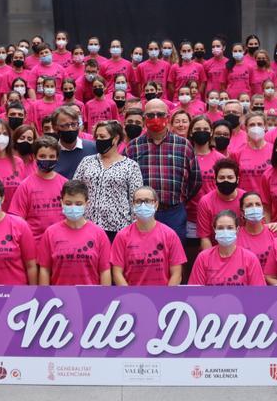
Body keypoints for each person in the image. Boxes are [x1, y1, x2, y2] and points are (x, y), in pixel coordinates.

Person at [124, 99, 201, 242]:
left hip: (174, 212)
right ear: (144, 118)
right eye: (150, 115)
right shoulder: (132, 147)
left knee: (175, 258)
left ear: (168, 117)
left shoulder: (183, 145)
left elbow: (195, 180)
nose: (155, 119)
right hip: (142, 212)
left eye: (160, 114)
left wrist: (181, 199)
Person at [72, 120, 143, 240]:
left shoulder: (131, 166)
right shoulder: (87, 162)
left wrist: (135, 228)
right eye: (97, 137)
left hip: (118, 228)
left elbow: (135, 198)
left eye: (103, 136)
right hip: (88, 225)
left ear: (115, 139)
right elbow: (75, 190)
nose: (99, 140)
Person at [37, 180, 112, 285]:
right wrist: (45, 296)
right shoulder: (50, 233)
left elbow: (104, 271)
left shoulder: (99, 234)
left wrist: (104, 298)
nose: (73, 207)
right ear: (61, 202)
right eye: (68, 203)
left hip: (91, 297)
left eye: (78, 203)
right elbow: (45, 269)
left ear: (86, 204)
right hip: (58, 299)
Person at [110, 186, 186, 285]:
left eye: (147, 201)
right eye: (138, 201)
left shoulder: (170, 235)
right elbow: (117, 273)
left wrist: (167, 296)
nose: (143, 205)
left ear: (156, 204)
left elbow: (176, 274)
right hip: (133, 296)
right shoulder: (122, 236)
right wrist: (130, 297)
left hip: (164, 297)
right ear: (133, 205)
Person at [9, 138, 67, 239]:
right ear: (35, 157)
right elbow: (17, 220)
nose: (47, 159)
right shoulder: (25, 186)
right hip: (34, 244)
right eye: (42, 156)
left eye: (51, 156)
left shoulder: (65, 184)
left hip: (61, 242)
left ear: (57, 158)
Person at [190, 210, 266, 286]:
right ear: (214, 229)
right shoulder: (203, 258)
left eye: (230, 228)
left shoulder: (250, 259)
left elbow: (259, 294)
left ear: (237, 229)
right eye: (220, 228)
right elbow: (194, 292)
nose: (225, 231)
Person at [232, 112, 272, 200]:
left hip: (269, 201)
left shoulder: (274, 150)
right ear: (246, 128)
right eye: (252, 125)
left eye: (259, 124)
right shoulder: (237, 153)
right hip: (245, 201)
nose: (256, 127)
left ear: (265, 127)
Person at [52, 106, 96, 178]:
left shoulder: (93, 148)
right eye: (65, 125)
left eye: (73, 124)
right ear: (55, 128)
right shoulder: (52, 153)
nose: (71, 129)